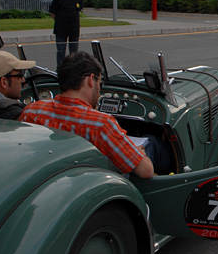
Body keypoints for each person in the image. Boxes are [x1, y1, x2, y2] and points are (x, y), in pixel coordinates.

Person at [20, 52, 155, 178]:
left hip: (48, 179)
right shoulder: (100, 124)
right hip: (97, 182)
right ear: (91, 80)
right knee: (153, 143)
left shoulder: (31, 112)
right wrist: (139, 153)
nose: (99, 89)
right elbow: (146, 171)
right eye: (99, 82)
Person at [50, 0, 84, 68]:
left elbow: (79, 9)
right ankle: (60, 69)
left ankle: (72, 69)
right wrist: (59, 21)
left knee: (74, 53)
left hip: (73, 28)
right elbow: (52, 11)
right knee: (61, 51)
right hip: (61, 28)